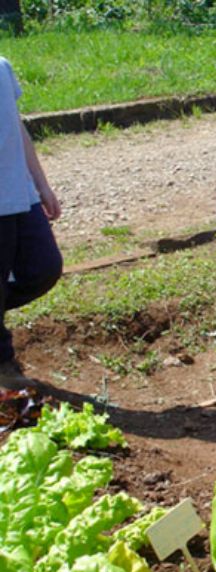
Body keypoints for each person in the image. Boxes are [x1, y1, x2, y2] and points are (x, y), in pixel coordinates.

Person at [0, 56, 63, 391]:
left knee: (44, 267)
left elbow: (16, 126)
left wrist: (41, 184)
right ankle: (2, 364)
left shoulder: (2, 67)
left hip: (18, 193)